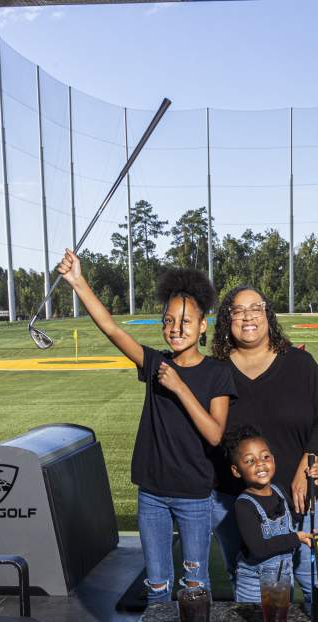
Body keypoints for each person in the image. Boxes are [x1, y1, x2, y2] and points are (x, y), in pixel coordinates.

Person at [57, 250, 236, 603]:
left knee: (196, 585)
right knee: (157, 584)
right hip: (152, 493)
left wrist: (180, 387)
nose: (176, 329)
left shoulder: (217, 373)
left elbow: (215, 434)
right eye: (169, 321)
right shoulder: (155, 363)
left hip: (194, 496)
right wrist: (78, 281)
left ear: (203, 325)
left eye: (186, 321)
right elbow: (111, 328)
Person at [211, 285, 318, 605]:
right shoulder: (216, 372)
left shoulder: (299, 364)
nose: (247, 316)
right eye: (237, 311)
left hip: (303, 497)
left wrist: (308, 464)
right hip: (239, 505)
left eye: (256, 307)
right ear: (228, 320)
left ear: (268, 313)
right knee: (257, 594)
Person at [223, 425, 318, 622]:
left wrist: (314, 485)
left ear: (274, 461)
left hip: (281, 583)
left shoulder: (279, 491)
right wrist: (296, 539)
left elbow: (297, 519)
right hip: (255, 585)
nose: (260, 464)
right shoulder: (243, 505)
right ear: (237, 471)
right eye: (250, 461)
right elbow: (258, 546)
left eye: (265, 456)